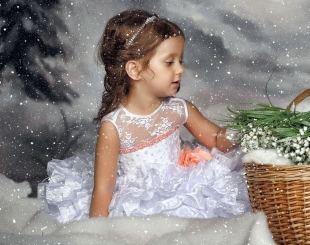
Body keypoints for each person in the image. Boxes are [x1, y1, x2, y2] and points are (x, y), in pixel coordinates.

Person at [39, 9, 251, 223]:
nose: (180, 70)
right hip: (139, 204)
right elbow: (104, 188)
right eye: (170, 62)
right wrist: (96, 233)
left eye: (180, 61)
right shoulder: (114, 126)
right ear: (135, 70)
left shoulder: (180, 108)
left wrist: (252, 133)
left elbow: (215, 138)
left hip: (183, 187)